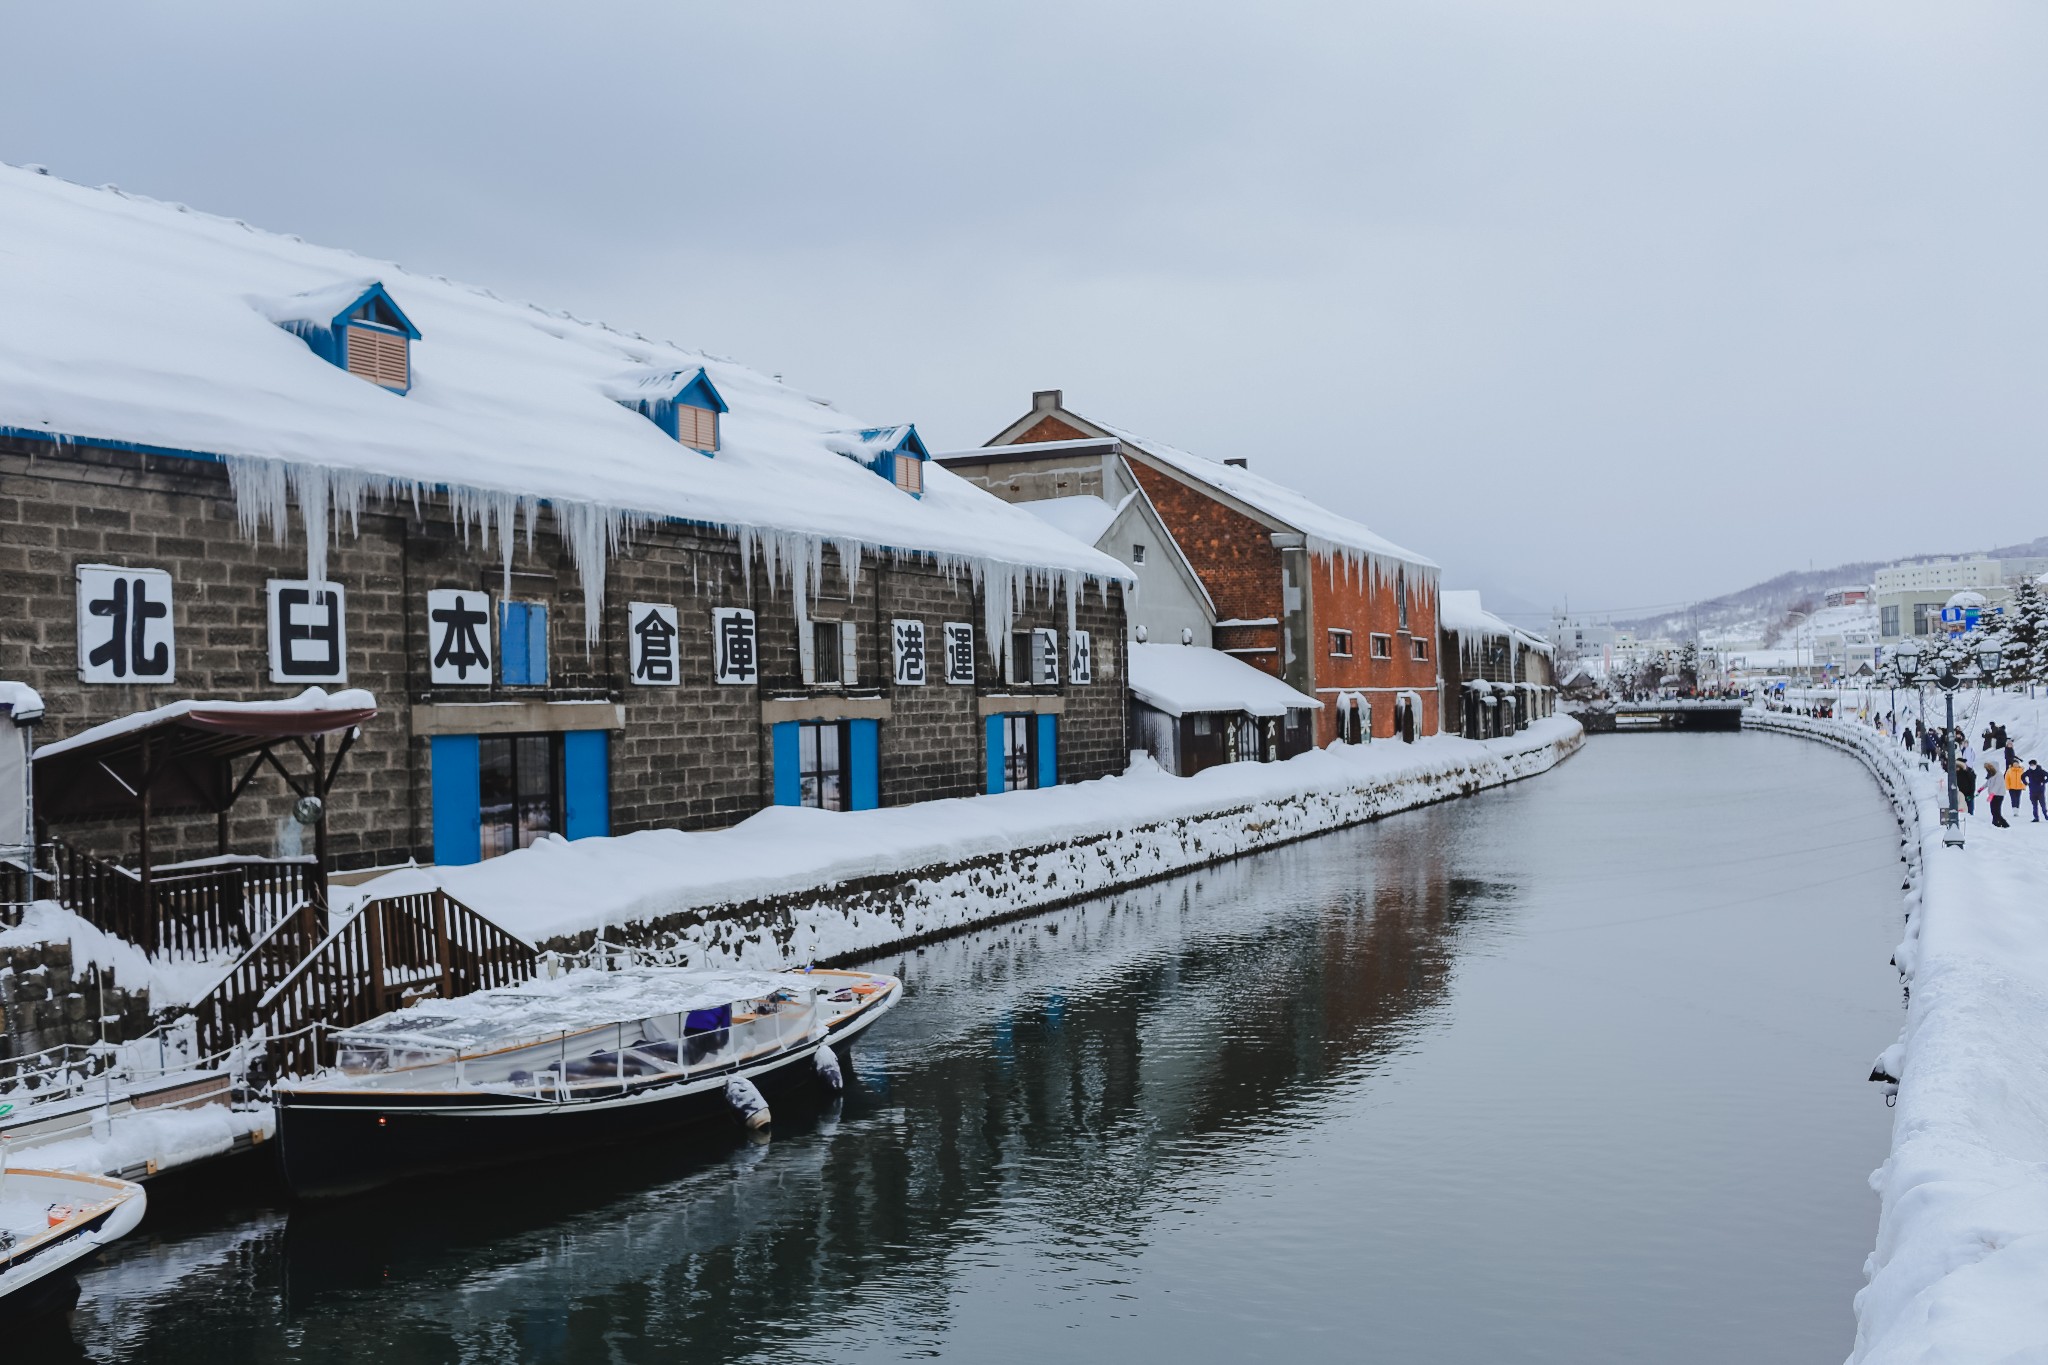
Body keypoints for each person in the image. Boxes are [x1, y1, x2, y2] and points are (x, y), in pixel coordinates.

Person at [2004, 758, 2026, 827]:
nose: (2016, 765)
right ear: (2013, 764)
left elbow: (2024, 779)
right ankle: (2014, 810)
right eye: (2014, 764)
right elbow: (2006, 779)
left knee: (2018, 799)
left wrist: (2023, 785)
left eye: (2017, 764)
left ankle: (2017, 810)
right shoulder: (2009, 770)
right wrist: (2007, 786)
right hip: (2012, 787)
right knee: (2013, 799)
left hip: (2019, 787)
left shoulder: (2021, 770)